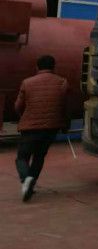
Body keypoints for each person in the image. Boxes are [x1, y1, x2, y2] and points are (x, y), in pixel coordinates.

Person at [14, 55, 69, 202]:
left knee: (22, 157)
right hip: (51, 128)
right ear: (54, 67)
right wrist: (65, 124)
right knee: (39, 156)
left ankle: (26, 179)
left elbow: (18, 106)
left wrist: (23, 117)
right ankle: (30, 185)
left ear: (37, 67)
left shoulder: (27, 83)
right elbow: (64, 107)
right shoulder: (62, 82)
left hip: (30, 127)